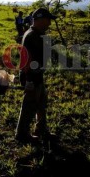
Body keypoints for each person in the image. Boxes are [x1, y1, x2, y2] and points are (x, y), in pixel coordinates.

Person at [15, 7, 57, 143]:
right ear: (39, 20)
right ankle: (21, 134)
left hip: (37, 75)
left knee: (41, 103)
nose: (49, 24)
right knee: (29, 105)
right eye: (47, 20)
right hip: (31, 77)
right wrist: (28, 80)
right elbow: (26, 60)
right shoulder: (31, 36)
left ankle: (41, 130)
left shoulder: (37, 34)